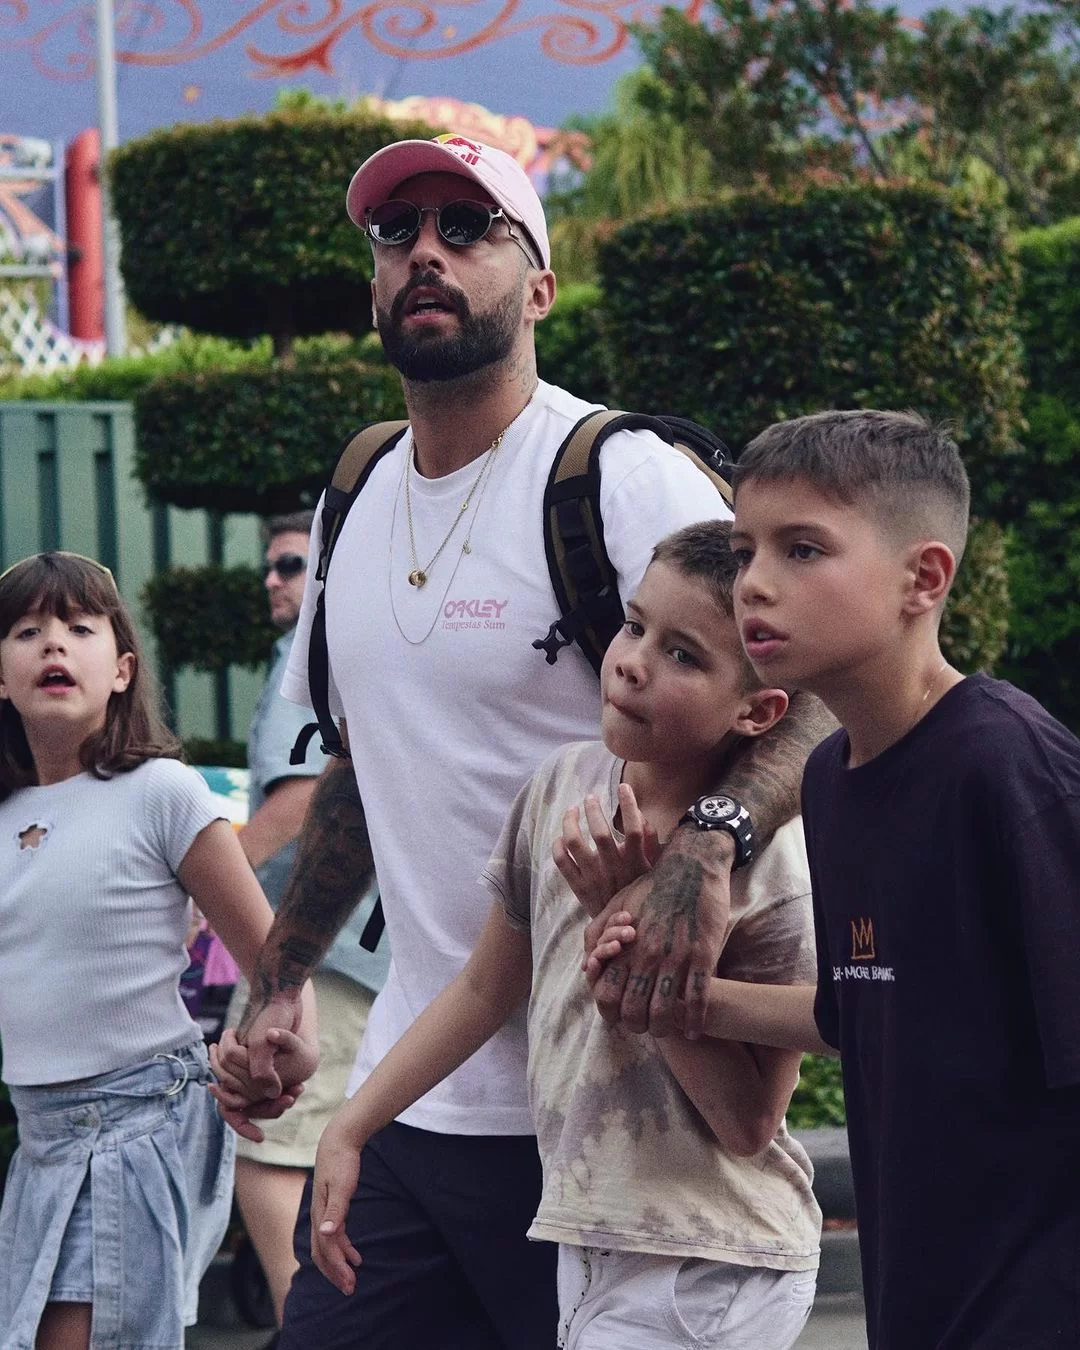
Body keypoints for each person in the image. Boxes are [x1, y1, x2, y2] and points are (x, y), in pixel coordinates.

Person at [212, 134, 830, 1350]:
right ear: (374, 285)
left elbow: (808, 695)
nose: (427, 254)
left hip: (601, 1131)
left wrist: (706, 850)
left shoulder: (619, 475)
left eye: (468, 227)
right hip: (417, 1103)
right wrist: (280, 981)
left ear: (539, 284)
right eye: (399, 235)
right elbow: (362, 762)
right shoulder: (359, 488)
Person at [591, 410, 1080, 1348]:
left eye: (803, 549)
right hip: (923, 1300)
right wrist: (667, 995)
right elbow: (863, 1006)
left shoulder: (1008, 770)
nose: (756, 585)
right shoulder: (829, 779)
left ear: (923, 579)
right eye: (744, 550)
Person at [311, 521, 821, 1350]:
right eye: (633, 625)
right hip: (591, 1237)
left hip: (714, 1255)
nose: (631, 660)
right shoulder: (561, 788)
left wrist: (623, 918)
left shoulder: (763, 872)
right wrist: (352, 1124)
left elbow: (747, 1123)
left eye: (684, 655)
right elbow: (483, 990)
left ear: (758, 709)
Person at [0, 551, 315, 1350]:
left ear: (122, 668)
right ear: (0, 677)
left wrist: (281, 1050)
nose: (53, 646)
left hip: (139, 1122)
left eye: (78, 627)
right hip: (39, 1138)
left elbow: (277, 956)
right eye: (27, 630)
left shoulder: (161, 794)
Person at [224, 512, 390, 1339]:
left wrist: (204, 890)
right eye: (271, 567)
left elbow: (294, 800)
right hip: (345, 954)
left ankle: (312, 1332)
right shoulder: (328, 652)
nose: (274, 581)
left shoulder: (314, 656)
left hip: (318, 955)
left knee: (270, 1151)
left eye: (291, 564)